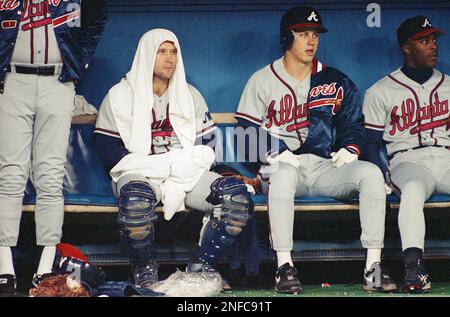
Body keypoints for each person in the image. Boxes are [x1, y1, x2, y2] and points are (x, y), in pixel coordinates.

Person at [235, 5, 397, 294]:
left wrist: (350, 147)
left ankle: (373, 267)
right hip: (284, 169)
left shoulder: (335, 79)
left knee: (371, 174)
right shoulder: (262, 80)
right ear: (287, 38)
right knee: (282, 177)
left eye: (315, 35)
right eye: (303, 34)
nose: (311, 41)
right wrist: (274, 151)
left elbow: (353, 125)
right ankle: (284, 267)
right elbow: (244, 134)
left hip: (325, 167)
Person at [93, 28, 252, 289]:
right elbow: (108, 149)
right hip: (140, 173)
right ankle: (144, 268)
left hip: (185, 173)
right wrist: (160, 165)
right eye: (162, 52)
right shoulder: (119, 96)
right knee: (135, 200)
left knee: (234, 196)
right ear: (146, 55)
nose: (170, 58)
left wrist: (180, 165)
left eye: (174, 52)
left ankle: (201, 268)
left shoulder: (190, 95)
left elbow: (209, 144)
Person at [0, 0, 107, 295]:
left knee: (50, 173)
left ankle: (46, 266)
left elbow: (96, 19)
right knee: (10, 173)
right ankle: (4, 268)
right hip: (11, 79)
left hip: (57, 80)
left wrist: (76, 65)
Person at [362, 16, 448, 293]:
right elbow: (371, 142)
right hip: (409, 161)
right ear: (406, 48)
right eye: (424, 41)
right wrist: (378, 176)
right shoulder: (380, 90)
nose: (433, 46)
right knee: (411, 190)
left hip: (447, 157)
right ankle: (414, 268)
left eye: (434, 40)